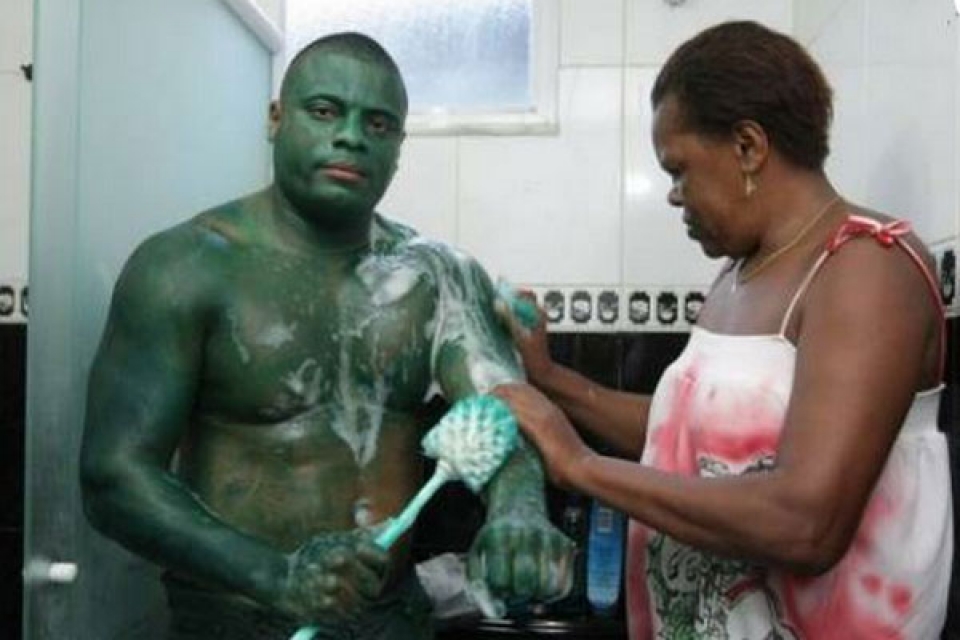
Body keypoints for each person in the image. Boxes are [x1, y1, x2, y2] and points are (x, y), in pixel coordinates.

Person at [80, 32, 572, 640]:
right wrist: (276, 576)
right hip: (236, 619)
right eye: (324, 111)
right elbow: (113, 477)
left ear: (398, 148)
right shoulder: (184, 268)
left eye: (379, 123)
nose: (351, 137)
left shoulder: (439, 275)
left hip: (393, 620)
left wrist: (518, 506)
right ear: (275, 119)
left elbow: (505, 411)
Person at [494, 20, 952, 640]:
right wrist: (553, 382)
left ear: (747, 147)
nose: (675, 197)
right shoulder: (739, 275)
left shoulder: (864, 268)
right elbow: (686, 437)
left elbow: (806, 523)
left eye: (679, 169)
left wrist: (580, 467)